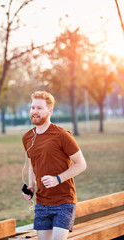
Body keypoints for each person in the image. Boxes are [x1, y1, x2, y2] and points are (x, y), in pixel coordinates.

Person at [22, 91, 86, 240]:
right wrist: (31, 186)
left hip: (64, 202)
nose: (34, 112)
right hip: (42, 203)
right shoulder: (27, 138)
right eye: (32, 108)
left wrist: (57, 179)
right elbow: (33, 163)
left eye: (39, 108)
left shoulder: (62, 135)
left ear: (50, 111)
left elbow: (81, 164)